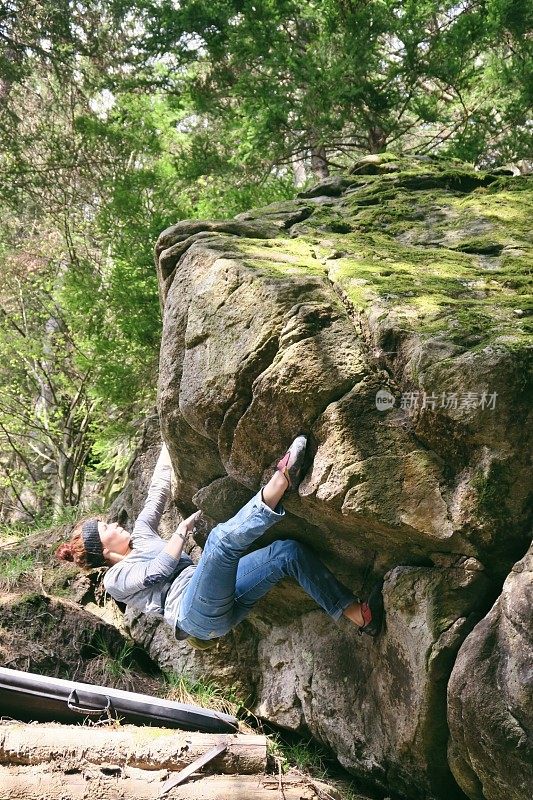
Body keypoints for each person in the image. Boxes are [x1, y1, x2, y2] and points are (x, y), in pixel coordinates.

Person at [56, 436, 384, 649]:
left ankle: (359, 617)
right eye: (106, 527)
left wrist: (168, 441)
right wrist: (181, 533)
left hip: (220, 602)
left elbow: (158, 492)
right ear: (105, 550)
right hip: (194, 615)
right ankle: (280, 481)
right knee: (219, 541)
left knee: (287, 552)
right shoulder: (115, 580)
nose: (114, 523)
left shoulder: (141, 533)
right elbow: (157, 572)